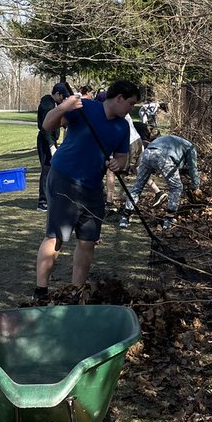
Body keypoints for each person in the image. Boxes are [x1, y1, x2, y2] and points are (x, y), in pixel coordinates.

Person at [34, 79, 141, 303]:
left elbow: (122, 158)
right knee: (57, 236)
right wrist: (64, 107)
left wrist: (118, 165)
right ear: (119, 97)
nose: (131, 109)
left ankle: (76, 291)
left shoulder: (122, 126)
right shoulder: (84, 108)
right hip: (65, 178)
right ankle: (41, 291)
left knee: (88, 240)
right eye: (130, 103)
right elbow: (47, 125)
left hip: (92, 187)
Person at [119, 133, 201, 231]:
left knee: (138, 185)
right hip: (163, 156)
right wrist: (196, 186)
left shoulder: (174, 141)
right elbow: (193, 169)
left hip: (147, 153)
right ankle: (169, 218)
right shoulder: (191, 148)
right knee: (176, 187)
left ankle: (125, 216)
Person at [35, 82, 71, 212]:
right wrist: (51, 146)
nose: (64, 100)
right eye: (63, 97)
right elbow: (45, 129)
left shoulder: (54, 104)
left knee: (53, 170)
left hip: (51, 139)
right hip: (45, 141)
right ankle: (42, 202)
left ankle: (51, 197)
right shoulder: (47, 105)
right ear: (57, 94)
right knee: (46, 170)